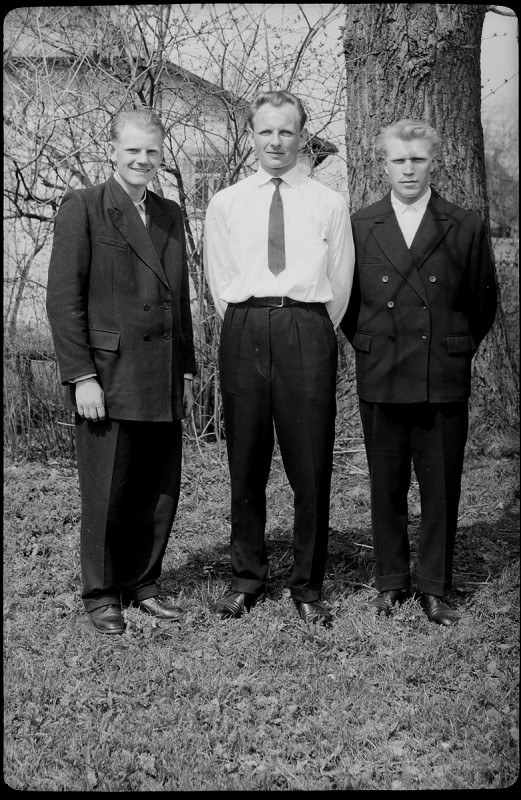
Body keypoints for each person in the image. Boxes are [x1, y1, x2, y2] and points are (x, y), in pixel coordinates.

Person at [204, 90, 355, 626]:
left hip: (306, 328)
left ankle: (307, 586)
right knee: (245, 460)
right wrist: (252, 320)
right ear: (252, 135)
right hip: (245, 326)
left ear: (301, 135)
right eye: (266, 131)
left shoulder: (328, 202)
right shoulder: (226, 203)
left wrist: (305, 326)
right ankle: (247, 578)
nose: (275, 141)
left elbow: (339, 281)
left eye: (286, 131)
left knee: (309, 463)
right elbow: (220, 279)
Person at [341, 119, 497, 626]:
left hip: (440, 375)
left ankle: (434, 586)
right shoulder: (360, 224)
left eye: (418, 159)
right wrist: (371, 347)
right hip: (383, 371)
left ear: (434, 163)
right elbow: (347, 305)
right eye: (398, 160)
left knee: (441, 486)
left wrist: (452, 349)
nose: (408, 169)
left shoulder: (464, 224)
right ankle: (391, 582)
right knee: (386, 484)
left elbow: (482, 302)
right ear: (382, 165)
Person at [46, 108, 197, 635]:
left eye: (152, 151)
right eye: (133, 149)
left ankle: (144, 584)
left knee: (159, 490)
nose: (142, 159)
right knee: (107, 491)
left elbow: (180, 298)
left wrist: (186, 373)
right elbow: (63, 300)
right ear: (113, 150)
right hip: (108, 375)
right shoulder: (84, 205)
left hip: (162, 373)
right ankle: (102, 593)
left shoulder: (169, 212)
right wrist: (80, 376)